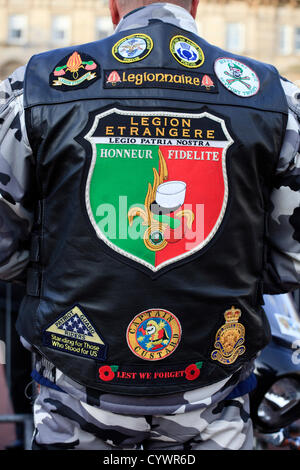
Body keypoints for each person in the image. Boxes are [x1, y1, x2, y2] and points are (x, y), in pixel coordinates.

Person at [0, 0, 299, 451]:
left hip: (77, 381)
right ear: (195, 4)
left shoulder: (37, 85)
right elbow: (293, 257)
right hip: (214, 384)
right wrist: (233, 277)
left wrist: (60, 276)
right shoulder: (272, 95)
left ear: (114, 6)